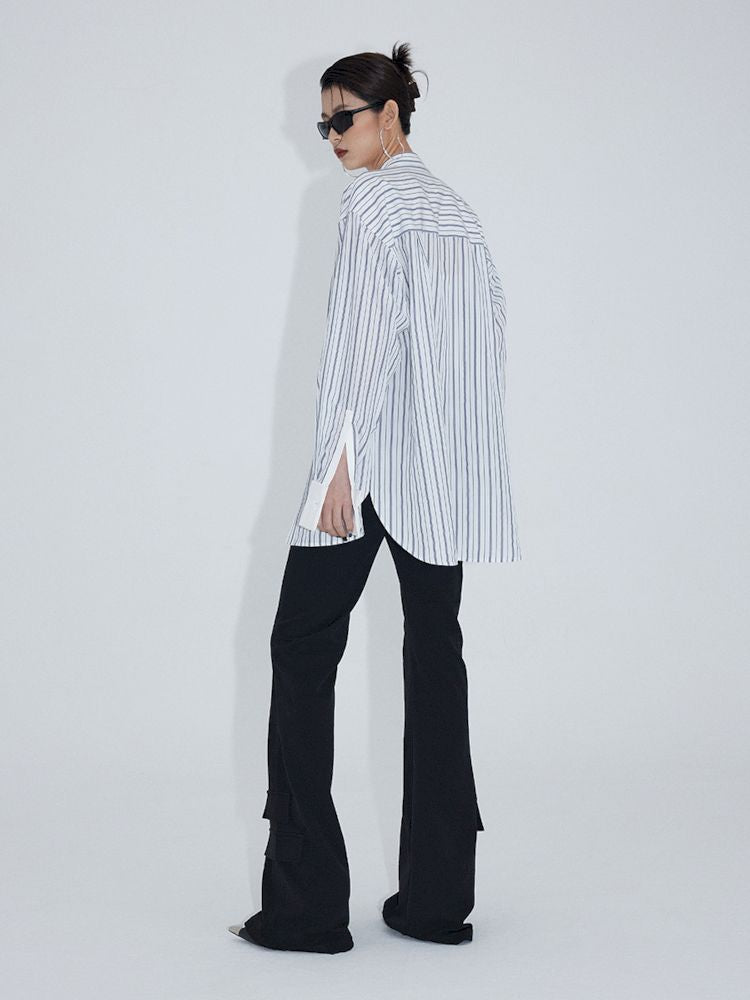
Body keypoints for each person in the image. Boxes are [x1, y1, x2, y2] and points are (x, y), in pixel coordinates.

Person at [229, 41, 522, 954]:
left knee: (300, 648)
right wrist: (462, 469)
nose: (331, 137)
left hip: (369, 470)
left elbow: (355, 343)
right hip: (443, 477)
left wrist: (336, 470)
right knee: (436, 661)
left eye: (343, 118)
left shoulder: (372, 202)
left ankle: (307, 908)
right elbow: (485, 347)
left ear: (391, 114)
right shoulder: (458, 211)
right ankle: (437, 903)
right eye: (322, 123)